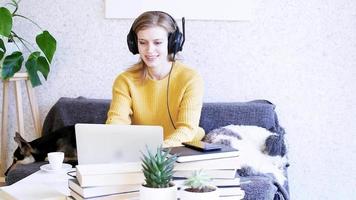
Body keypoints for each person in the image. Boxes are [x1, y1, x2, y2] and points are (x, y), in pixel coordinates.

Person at [106, 11, 205, 147]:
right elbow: (116, 122)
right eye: (142, 42)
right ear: (134, 44)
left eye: (157, 42)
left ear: (172, 43)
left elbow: (187, 129)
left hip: (180, 150)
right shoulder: (125, 80)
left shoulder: (190, 78)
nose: (149, 50)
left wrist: (157, 152)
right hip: (140, 150)